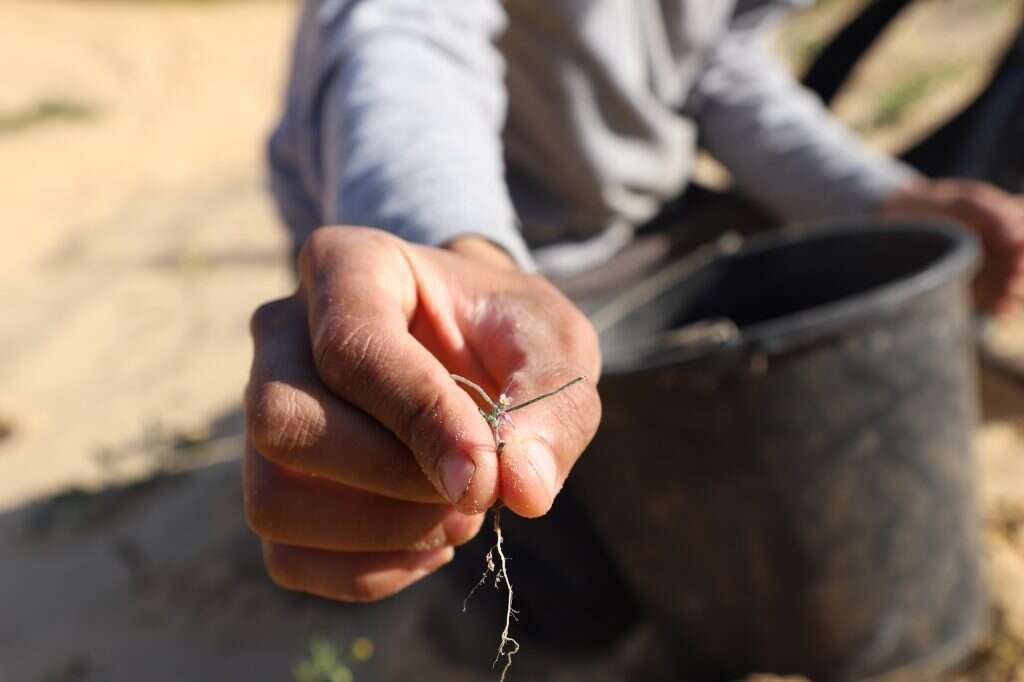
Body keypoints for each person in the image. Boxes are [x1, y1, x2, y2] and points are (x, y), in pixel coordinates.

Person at [244, 0, 1024, 605]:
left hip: (637, 221)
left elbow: (718, 61)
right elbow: (404, 33)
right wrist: (448, 246)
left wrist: (891, 200)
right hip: (479, 241)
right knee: (547, 588)